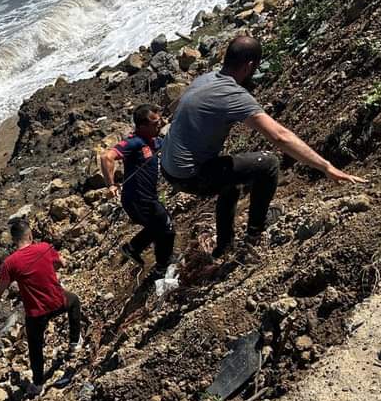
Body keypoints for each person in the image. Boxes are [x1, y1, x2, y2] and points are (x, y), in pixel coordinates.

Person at [161, 35, 366, 259]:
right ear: (249, 66)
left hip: (169, 168)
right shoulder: (232, 94)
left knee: (230, 182)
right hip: (190, 175)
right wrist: (326, 167)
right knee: (267, 163)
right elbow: (280, 136)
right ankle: (254, 233)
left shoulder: (205, 80)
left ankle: (224, 245)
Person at [0, 219, 82, 396]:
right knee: (74, 301)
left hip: (36, 313)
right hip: (57, 302)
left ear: (14, 240)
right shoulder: (44, 247)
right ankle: (74, 343)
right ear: (30, 235)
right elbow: (61, 264)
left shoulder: (10, 263)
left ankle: (37, 384)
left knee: (35, 347)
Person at [100, 103, 175, 275]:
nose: (160, 124)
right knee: (166, 228)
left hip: (148, 197)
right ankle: (162, 267)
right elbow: (106, 157)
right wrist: (111, 184)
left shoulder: (154, 141)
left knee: (158, 227)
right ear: (141, 126)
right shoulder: (134, 142)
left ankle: (134, 248)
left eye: (160, 121)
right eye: (155, 123)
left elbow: (170, 141)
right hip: (137, 199)